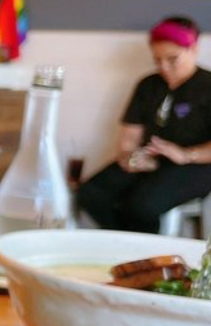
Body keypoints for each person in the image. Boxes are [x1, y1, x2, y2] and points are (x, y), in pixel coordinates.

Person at [76, 16, 211, 234]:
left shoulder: (207, 85)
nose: (164, 67)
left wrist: (186, 155)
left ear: (193, 49)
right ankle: (125, 244)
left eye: (172, 59)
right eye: (157, 60)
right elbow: (129, 136)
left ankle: (143, 251)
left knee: (141, 205)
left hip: (196, 165)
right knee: (90, 193)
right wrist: (130, 157)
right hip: (151, 158)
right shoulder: (148, 85)